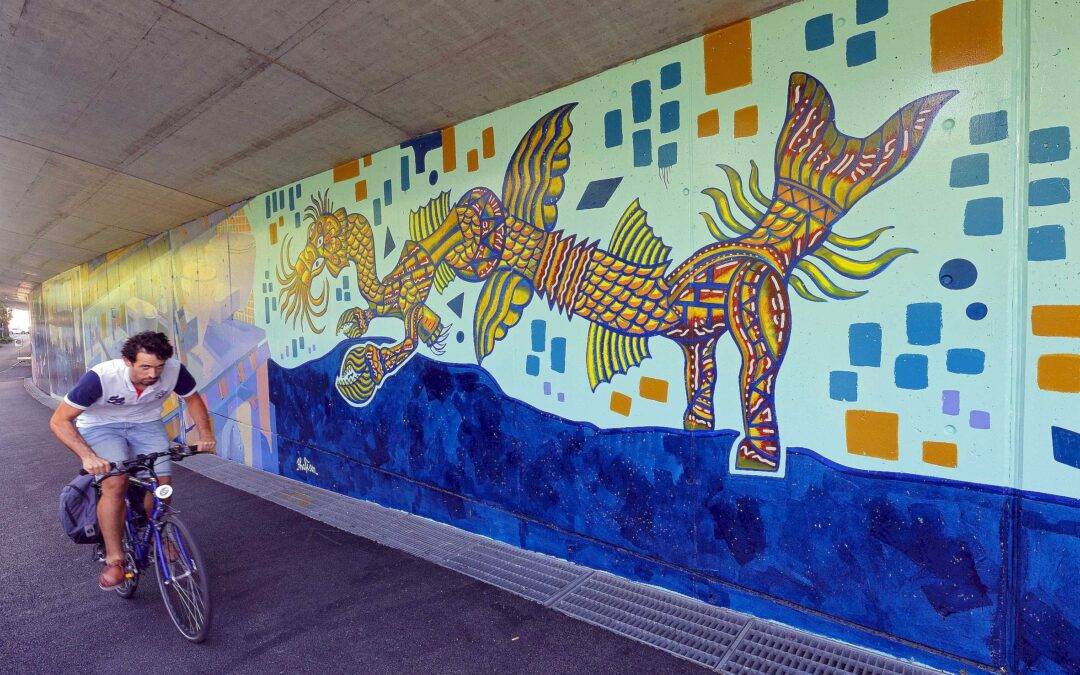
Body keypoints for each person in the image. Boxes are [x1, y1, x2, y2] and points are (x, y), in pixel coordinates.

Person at [49, 331, 216, 590]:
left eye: (158, 367)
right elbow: (59, 420)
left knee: (162, 483)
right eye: (145, 367)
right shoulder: (101, 377)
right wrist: (88, 456)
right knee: (115, 482)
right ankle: (115, 559)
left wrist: (205, 436)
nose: (153, 374)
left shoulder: (173, 370)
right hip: (101, 425)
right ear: (127, 361)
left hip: (146, 423)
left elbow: (192, 399)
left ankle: (156, 535)